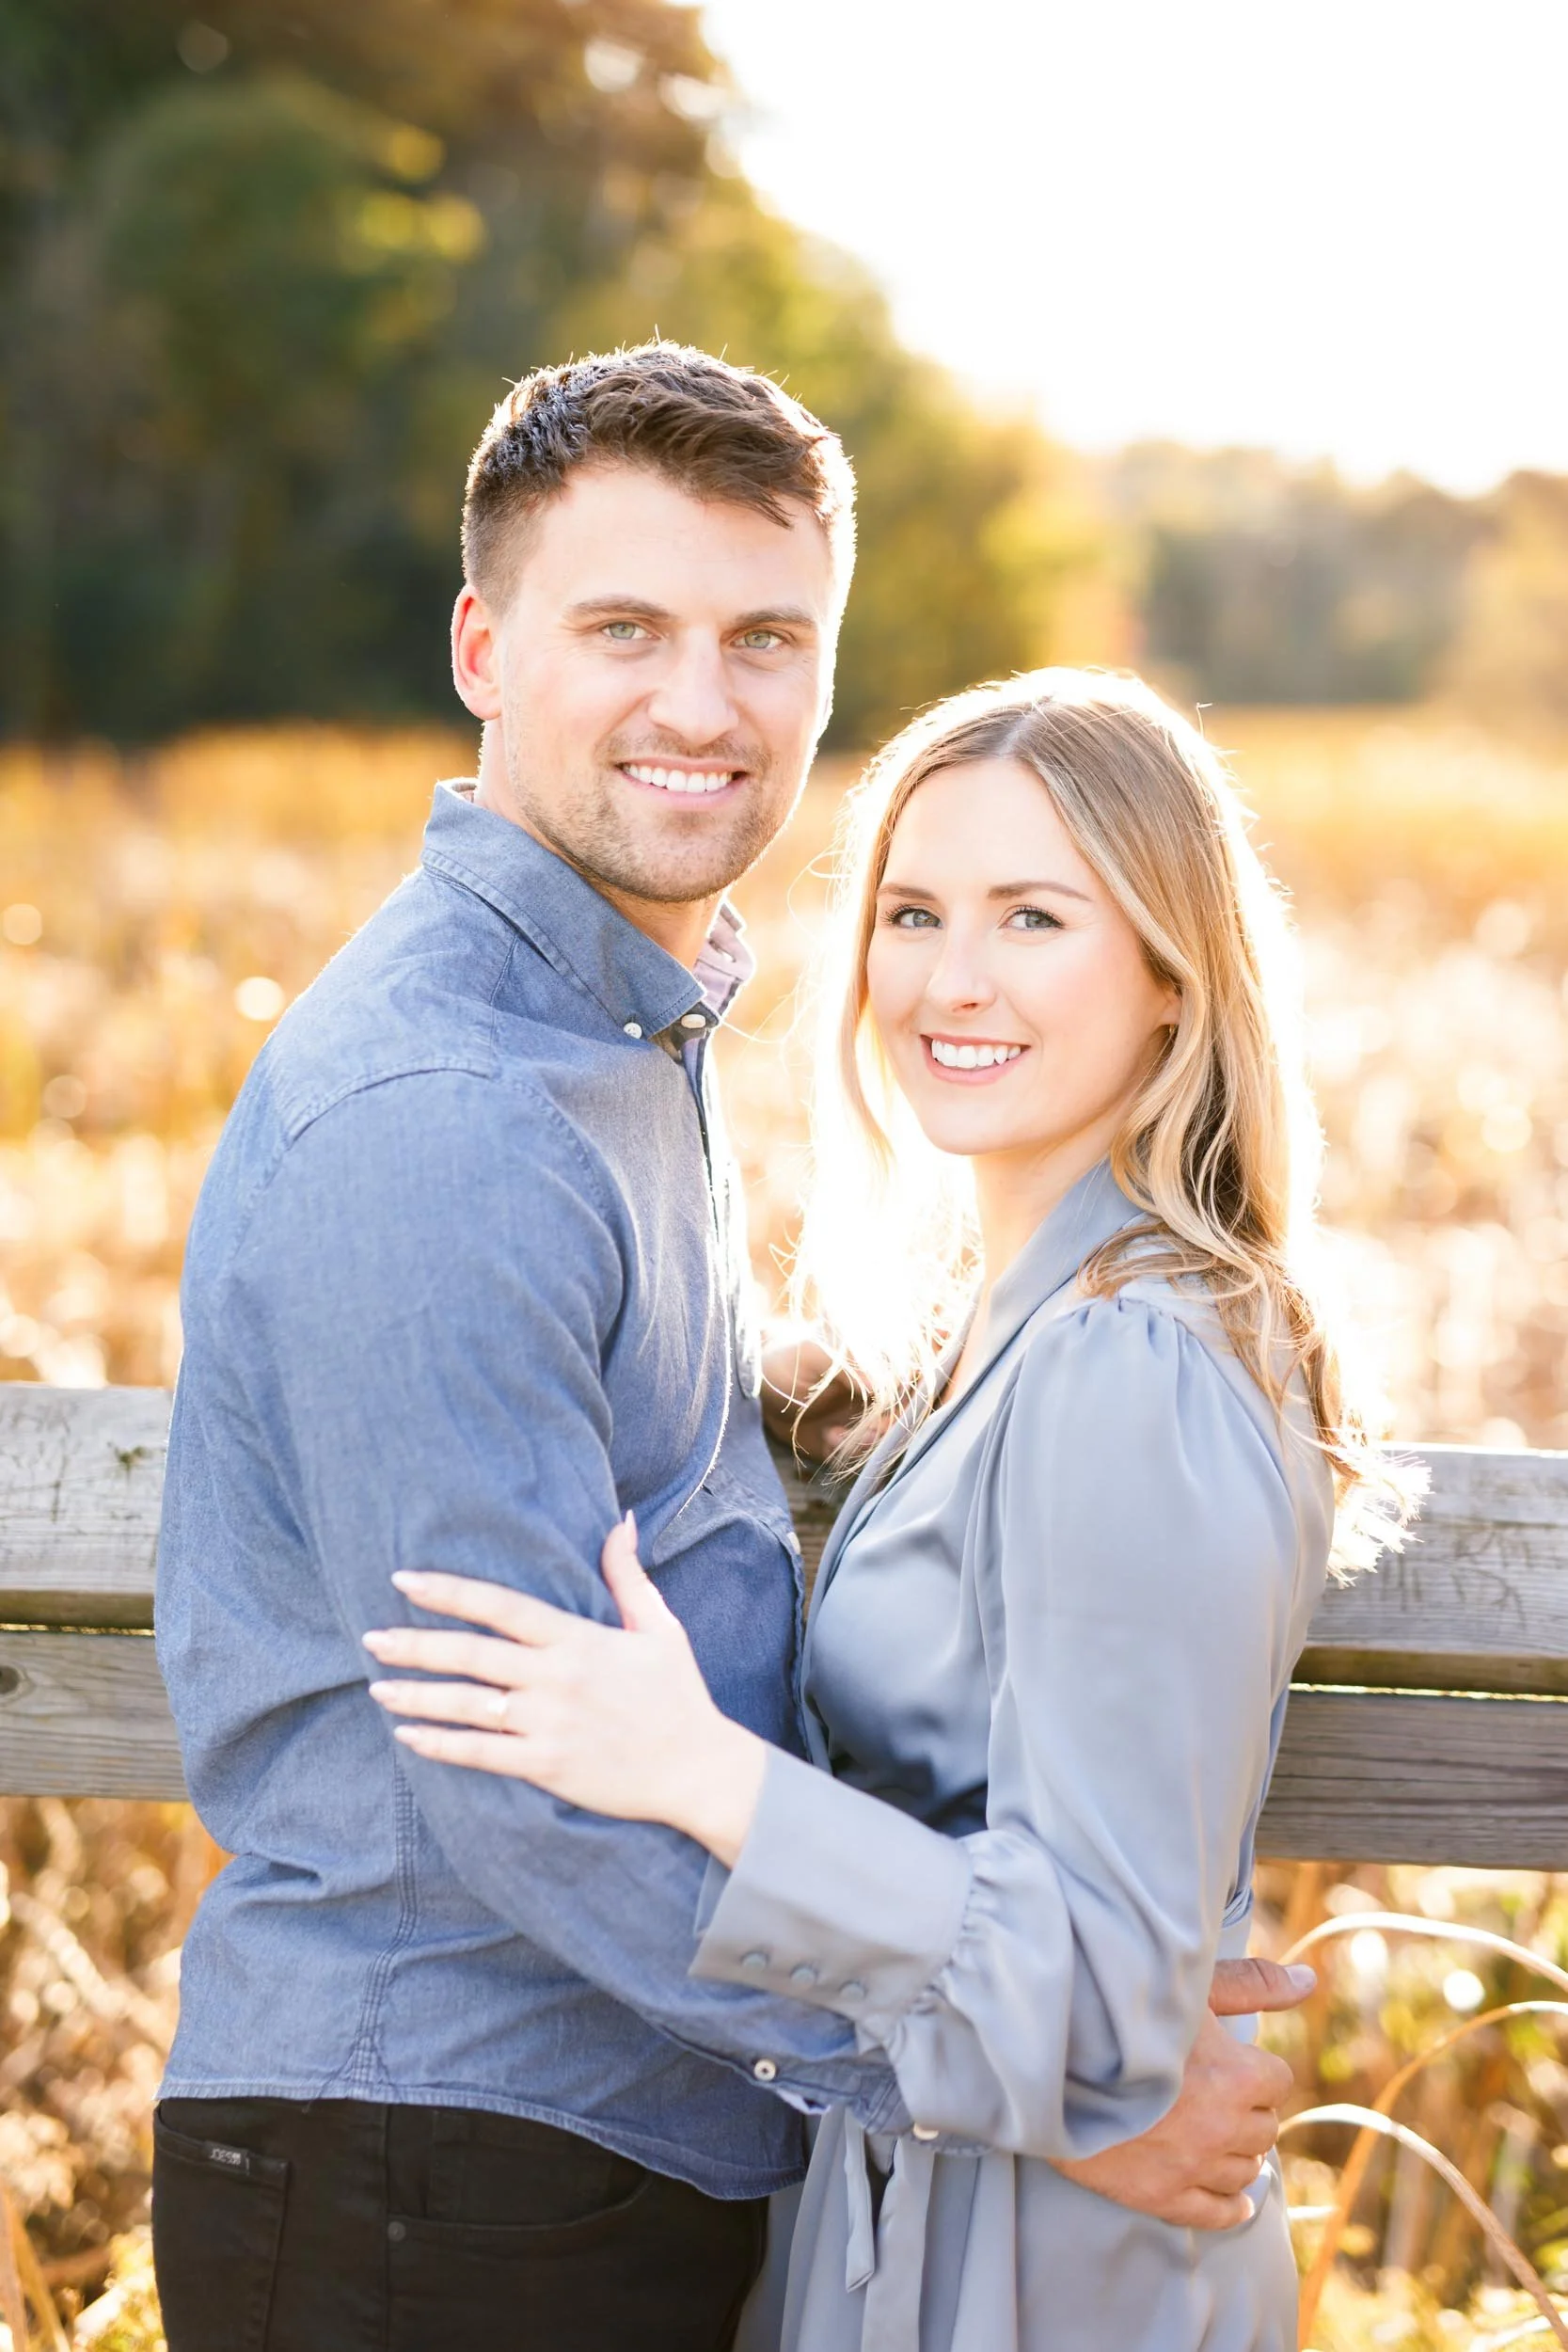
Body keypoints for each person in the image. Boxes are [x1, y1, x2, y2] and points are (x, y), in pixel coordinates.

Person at [153, 344, 1314, 2352]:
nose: (701, 702)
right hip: (437, 2164)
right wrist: (1045, 2088)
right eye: (624, 626)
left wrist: (811, 1400)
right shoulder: (454, 1106)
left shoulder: (621, 1041)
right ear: (482, 645)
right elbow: (522, 1788)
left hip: (613, 2161)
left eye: (763, 636)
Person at [364, 668, 1415, 2351]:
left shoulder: (1129, 1363)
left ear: (1169, 975)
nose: (951, 978)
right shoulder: (1011, 1325)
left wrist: (703, 1778)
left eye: (1032, 916)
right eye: (914, 911)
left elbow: (1093, 2001)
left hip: (1047, 2266)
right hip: (941, 2200)